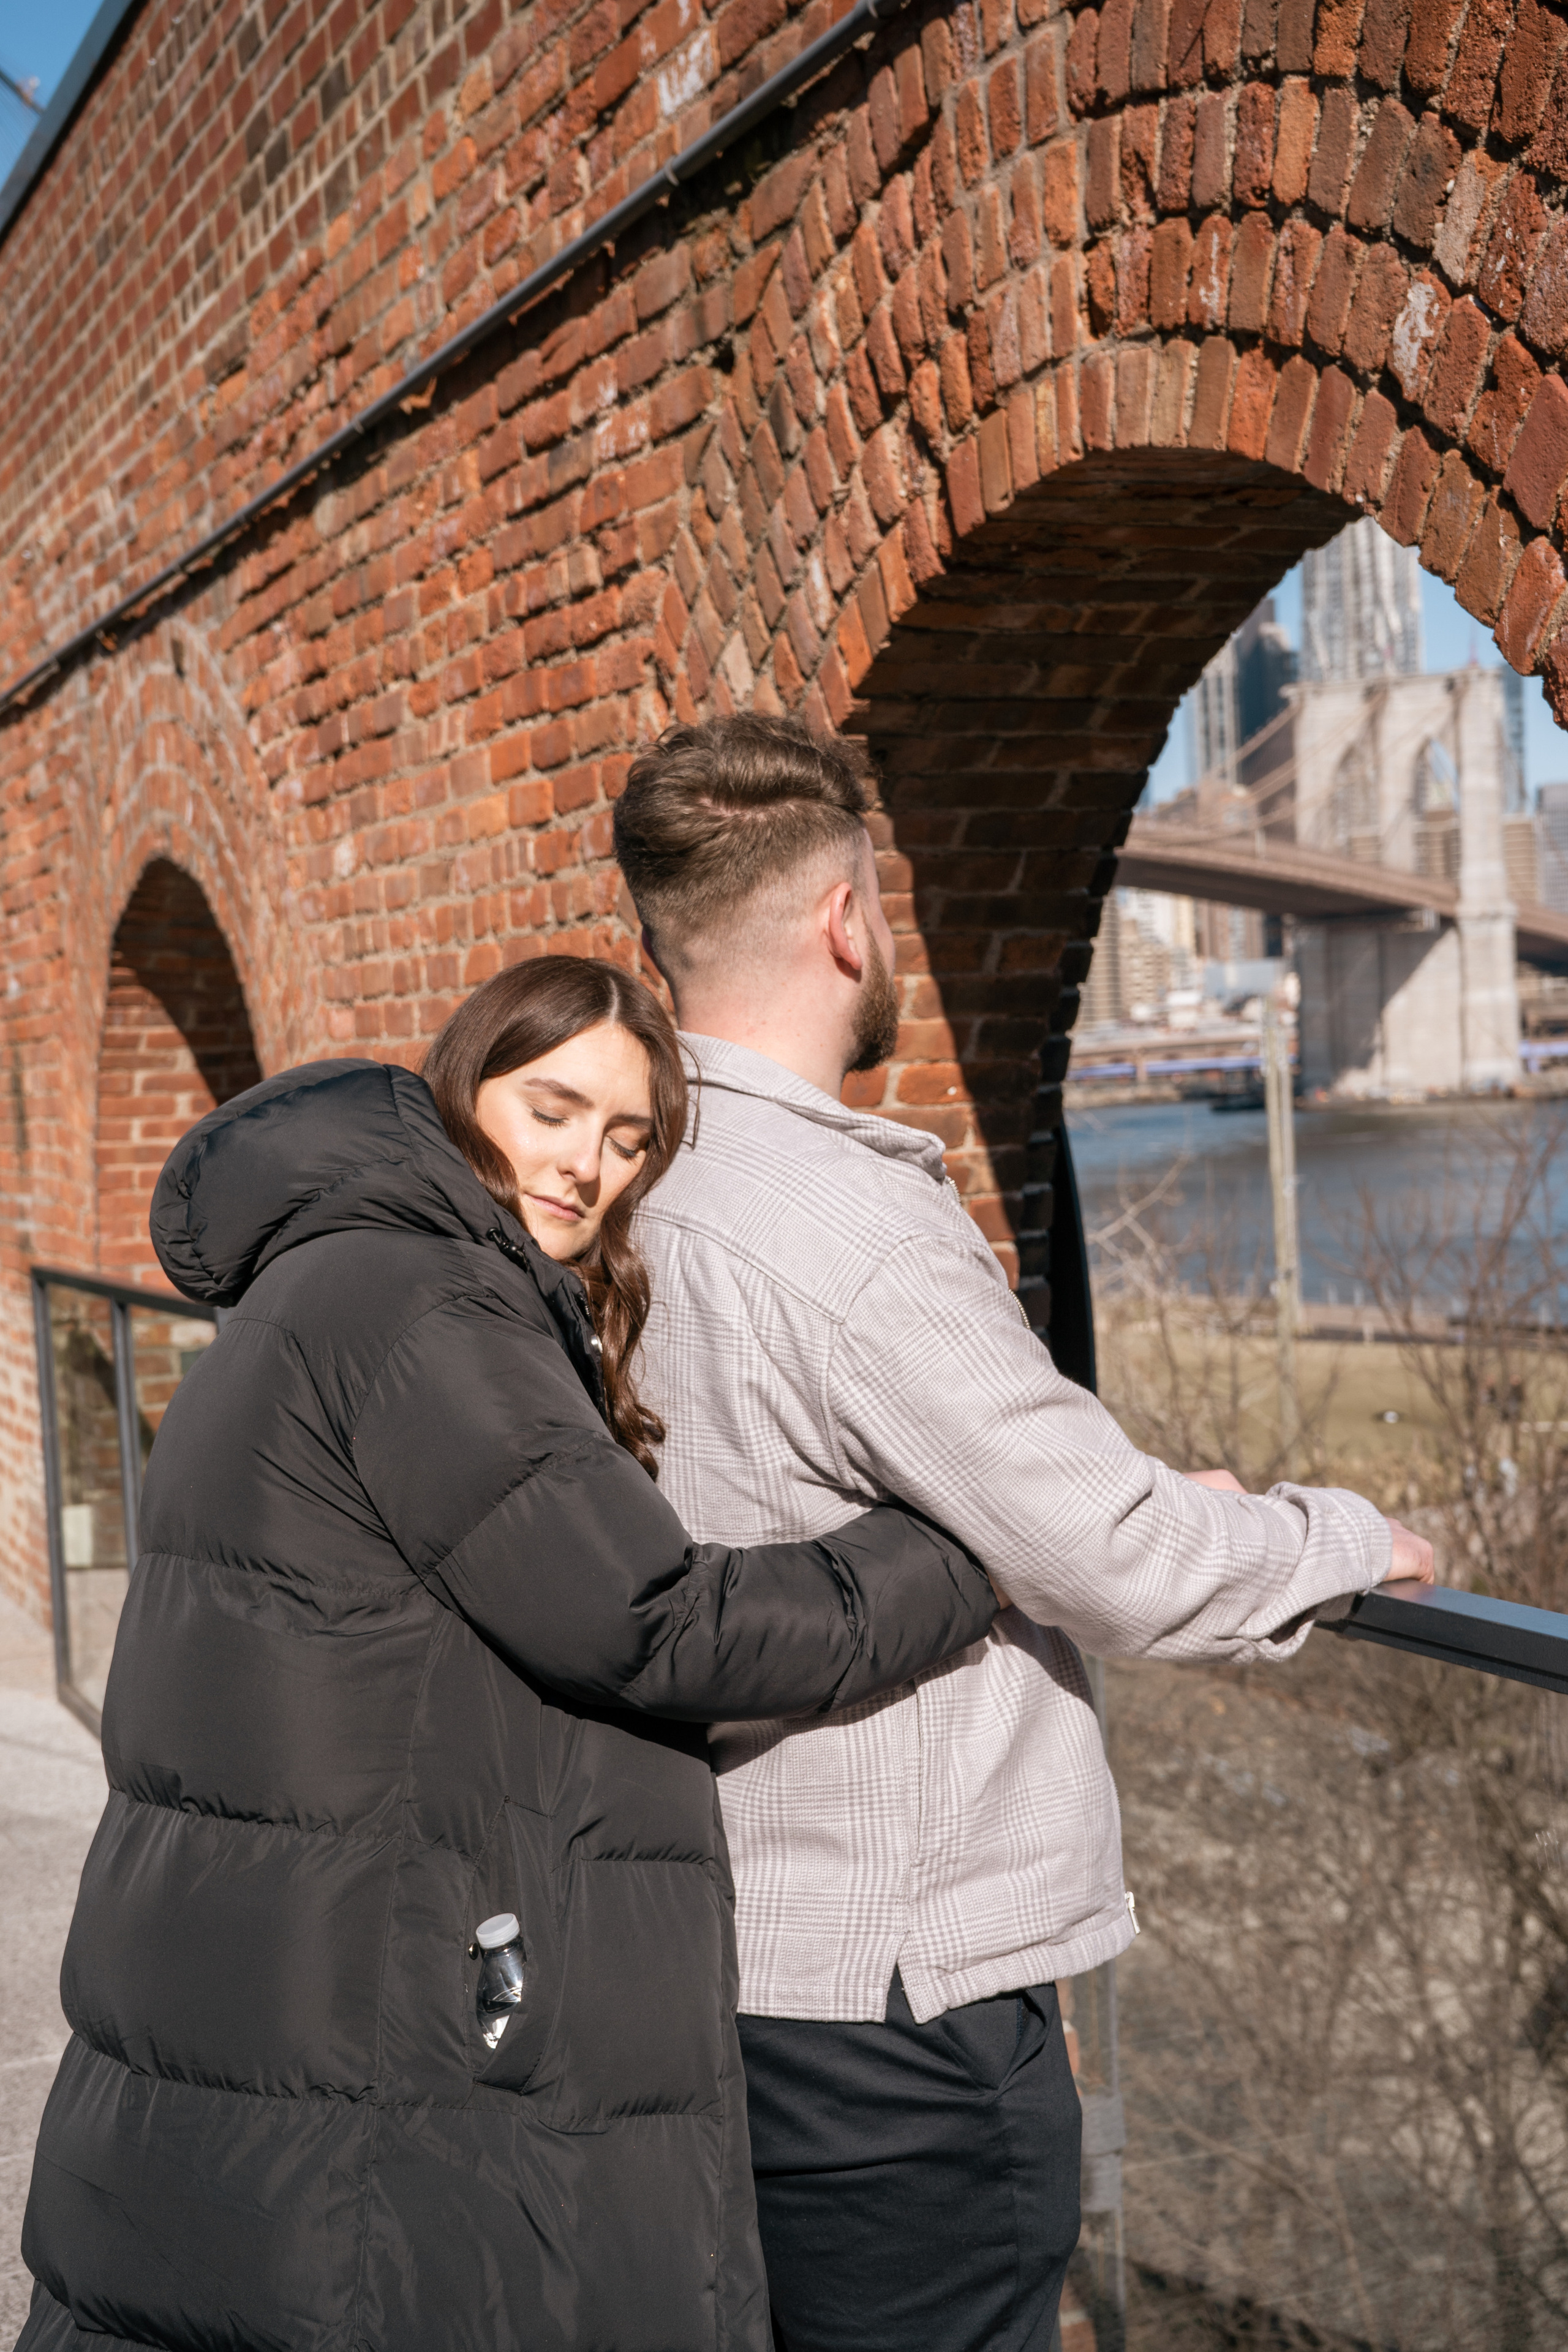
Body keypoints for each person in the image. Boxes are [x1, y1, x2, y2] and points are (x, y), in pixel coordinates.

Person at [15, 956, 997, 2352]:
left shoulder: (333, 1277)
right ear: (461, 1088)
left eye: (626, 1138)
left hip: (280, 1967)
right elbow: (652, 1619)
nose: (584, 1167)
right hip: (365, 1992)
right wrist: (964, 1550)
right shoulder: (424, 1300)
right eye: (551, 1110)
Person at [612, 715, 1436, 2352]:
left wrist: (1091, 1502)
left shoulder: (623, 1183)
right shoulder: (849, 1230)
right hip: (896, 2014)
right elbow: (1112, 1563)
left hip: (712, 1964)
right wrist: (1339, 1535)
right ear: (852, 915)